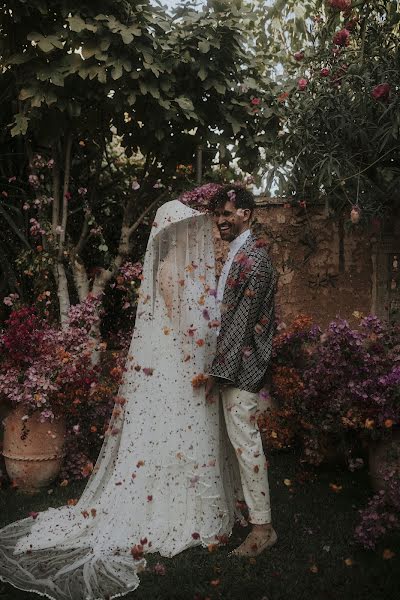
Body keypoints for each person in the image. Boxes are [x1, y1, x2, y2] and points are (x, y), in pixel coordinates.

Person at [0, 200, 242, 600]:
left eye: (190, 229)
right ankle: (171, 510)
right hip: (179, 369)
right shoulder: (167, 271)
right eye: (182, 230)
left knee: (198, 436)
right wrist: (208, 355)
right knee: (172, 437)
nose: (191, 236)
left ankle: (202, 509)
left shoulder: (199, 271)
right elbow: (185, 328)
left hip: (198, 365)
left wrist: (216, 345)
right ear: (170, 235)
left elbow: (206, 319)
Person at [205, 184, 278, 557]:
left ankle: (262, 529)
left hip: (243, 368)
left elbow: (241, 324)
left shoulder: (254, 259)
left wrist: (218, 373)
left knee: (247, 446)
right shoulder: (236, 255)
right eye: (217, 214)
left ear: (245, 214)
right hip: (232, 365)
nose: (220, 220)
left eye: (227, 213)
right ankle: (245, 515)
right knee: (239, 445)